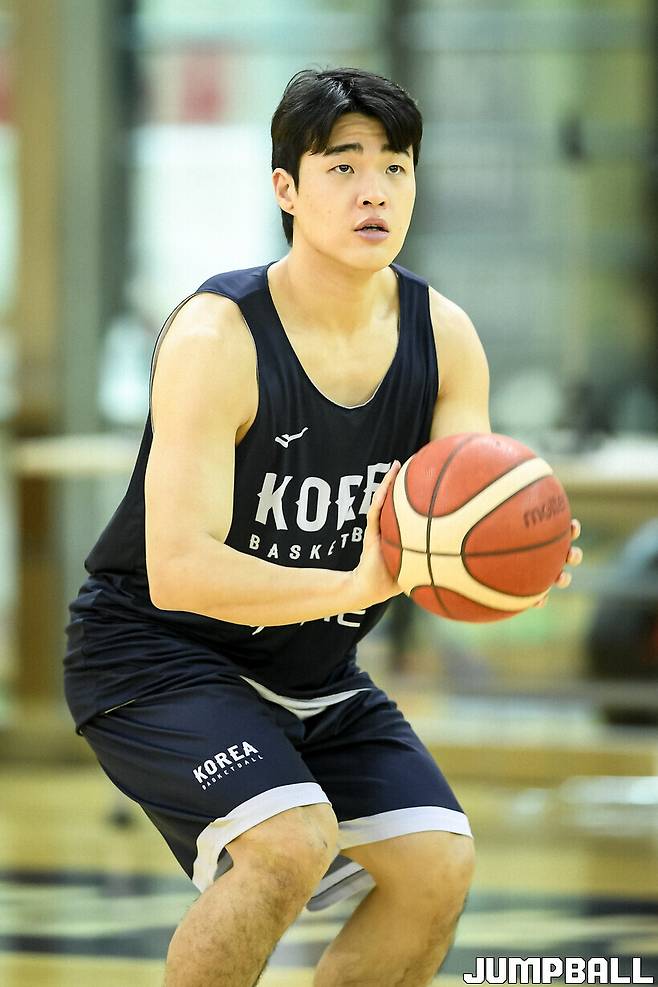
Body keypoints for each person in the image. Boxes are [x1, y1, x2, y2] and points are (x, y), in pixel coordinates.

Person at [64, 67, 582, 987]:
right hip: (156, 654)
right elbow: (178, 570)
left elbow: (456, 519)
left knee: (437, 866)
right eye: (343, 167)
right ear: (287, 189)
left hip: (312, 669)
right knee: (288, 842)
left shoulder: (444, 336)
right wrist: (357, 582)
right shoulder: (217, 336)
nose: (374, 189)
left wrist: (512, 557)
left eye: (395, 167)